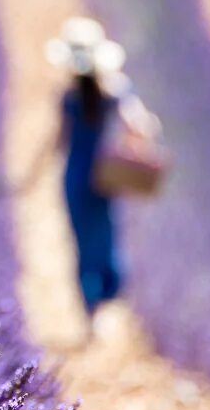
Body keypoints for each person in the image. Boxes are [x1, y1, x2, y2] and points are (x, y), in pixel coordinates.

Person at [42, 17, 159, 319]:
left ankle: (89, 310)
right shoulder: (114, 92)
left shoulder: (69, 96)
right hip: (104, 176)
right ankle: (108, 293)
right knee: (105, 236)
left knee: (81, 241)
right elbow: (139, 128)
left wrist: (24, 180)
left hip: (76, 175)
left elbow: (56, 143)